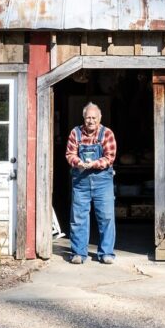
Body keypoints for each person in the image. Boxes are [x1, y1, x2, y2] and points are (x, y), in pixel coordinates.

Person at [65, 102, 117, 264]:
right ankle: (79, 253)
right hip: (81, 181)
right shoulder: (76, 133)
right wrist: (78, 162)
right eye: (88, 117)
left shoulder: (107, 133)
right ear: (84, 118)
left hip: (102, 181)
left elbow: (110, 157)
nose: (91, 121)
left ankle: (106, 253)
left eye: (94, 117)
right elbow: (69, 154)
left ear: (100, 118)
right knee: (79, 217)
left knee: (106, 217)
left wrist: (93, 164)